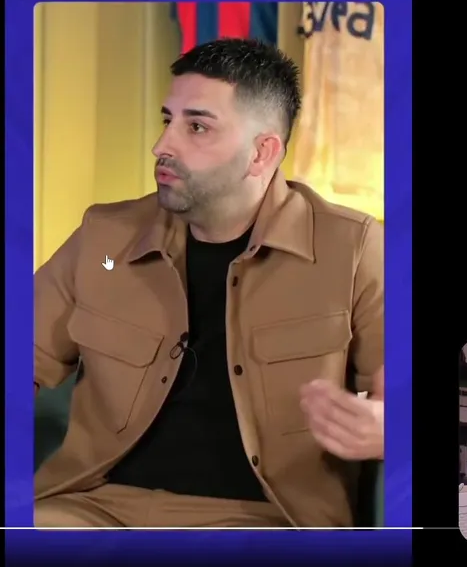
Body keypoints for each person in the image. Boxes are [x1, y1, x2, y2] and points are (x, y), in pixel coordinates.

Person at [33, 38, 385, 528]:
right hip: (91, 508)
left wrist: (386, 428)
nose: (162, 145)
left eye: (196, 126)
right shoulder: (104, 237)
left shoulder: (353, 248)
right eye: (167, 120)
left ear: (262, 153)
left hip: (261, 521)